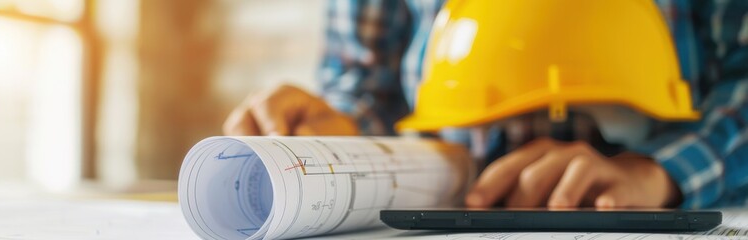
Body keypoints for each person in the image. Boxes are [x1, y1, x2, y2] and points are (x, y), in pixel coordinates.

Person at [223, 0, 748, 209]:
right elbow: (370, 86)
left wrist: (659, 170)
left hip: (651, 202)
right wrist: (338, 128)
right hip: (454, 198)